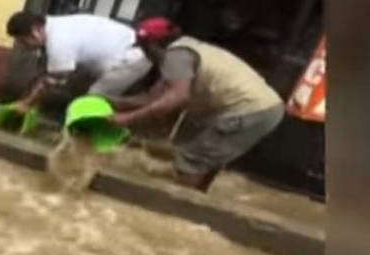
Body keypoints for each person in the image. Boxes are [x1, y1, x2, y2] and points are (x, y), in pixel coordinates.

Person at [110, 17, 284, 191]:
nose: (144, 53)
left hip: (249, 110)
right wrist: (113, 102)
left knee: (190, 160)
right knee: (206, 159)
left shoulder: (175, 57)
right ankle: (197, 198)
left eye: (143, 47)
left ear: (153, 45)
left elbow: (177, 98)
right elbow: (154, 97)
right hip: (265, 108)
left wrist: (126, 119)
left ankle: (175, 206)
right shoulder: (187, 49)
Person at [5, 11, 151, 111]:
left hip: (132, 57)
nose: (24, 46)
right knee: (79, 88)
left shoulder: (58, 41)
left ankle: (90, 136)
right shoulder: (54, 25)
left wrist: (26, 104)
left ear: (36, 31)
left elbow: (52, 79)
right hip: (122, 53)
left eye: (23, 41)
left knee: (93, 99)